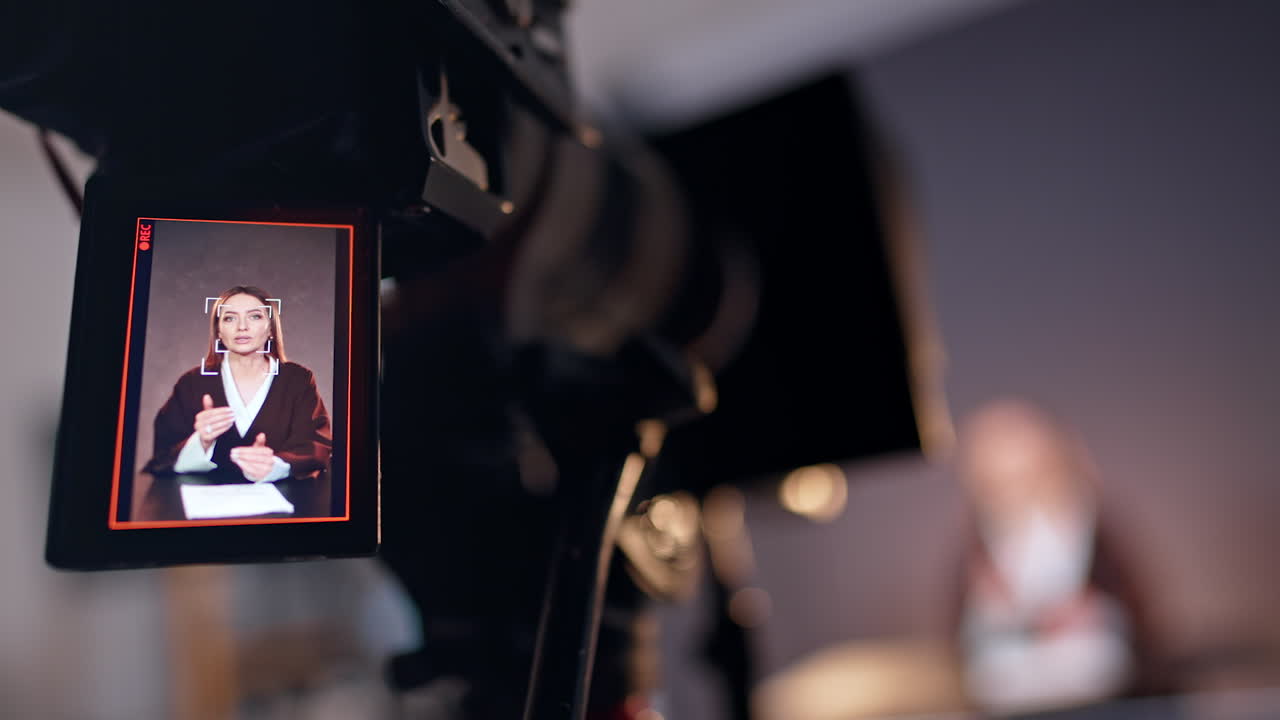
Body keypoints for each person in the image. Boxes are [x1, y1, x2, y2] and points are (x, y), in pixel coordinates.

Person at [948, 397, 1167, 716]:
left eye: (1030, 477)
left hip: (1105, 696)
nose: (1018, 494)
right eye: (1003, 483)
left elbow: (1143, 620)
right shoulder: (975, 550)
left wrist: (1091, 612)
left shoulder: (1097, 533)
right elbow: (963, 641)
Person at [144, 285, 332, 486]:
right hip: (208, 506)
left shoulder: (297, 379)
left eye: (255, 317)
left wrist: (275, 465)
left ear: (271, 328)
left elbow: (316, 445)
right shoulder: (192, 382)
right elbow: (163, 454)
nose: (242, 326)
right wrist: (201, 442)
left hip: (283, 506)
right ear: (218, 331)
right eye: (229, 318)